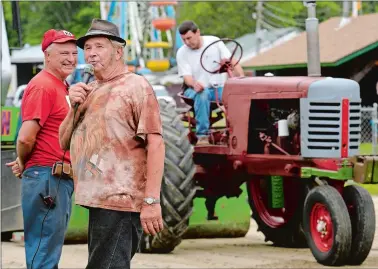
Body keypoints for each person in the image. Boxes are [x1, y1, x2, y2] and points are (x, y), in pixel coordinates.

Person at [58, 19, 165, 269]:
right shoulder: (90, 89)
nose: (91, 53)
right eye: (88, 48)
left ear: (118, 52)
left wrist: (151, 201)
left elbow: (156, 145)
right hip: (98, 200)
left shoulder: (136, 86)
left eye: (99, 46)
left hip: (121, 200)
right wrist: (73, 105)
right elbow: (63, 141)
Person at [5, 29, 78, 269]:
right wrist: (25, 162)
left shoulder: (61, 86)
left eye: (73, 53)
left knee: (46, 252)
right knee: (43, 255)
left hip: (54, 178)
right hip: (48, 177)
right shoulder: (43, 86)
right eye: (63, 53)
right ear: (47, 55)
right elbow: (26, 138)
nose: (70, 58)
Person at [176, 20, 244, 145]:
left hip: (219, 89)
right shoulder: (182, 52)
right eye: (183, 39)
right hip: (194, 90)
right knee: (203, 94)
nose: (187, 42)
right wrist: (195, 84)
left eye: (189, 38)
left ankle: (238, 133)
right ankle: (202, 136)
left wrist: (242, 78)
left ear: (198, 33)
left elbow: (231, 60)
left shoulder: (214, 42)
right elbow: (187, 77)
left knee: (238, 95)